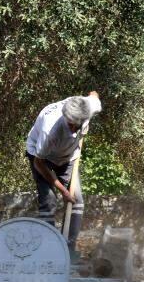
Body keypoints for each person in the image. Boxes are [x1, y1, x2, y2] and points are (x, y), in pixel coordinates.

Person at [25, 91, 102, 257]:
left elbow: (94, 95)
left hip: (68, 157)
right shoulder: (49, 130)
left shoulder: (88, 107)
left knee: (77, 202)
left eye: (77, 125)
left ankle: (67, 251)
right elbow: (39, 163)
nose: (73, 128)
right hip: (41, 158)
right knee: (49, 201)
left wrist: (92, 95)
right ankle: (48, 252)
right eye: (70, 124)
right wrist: (63, 190)